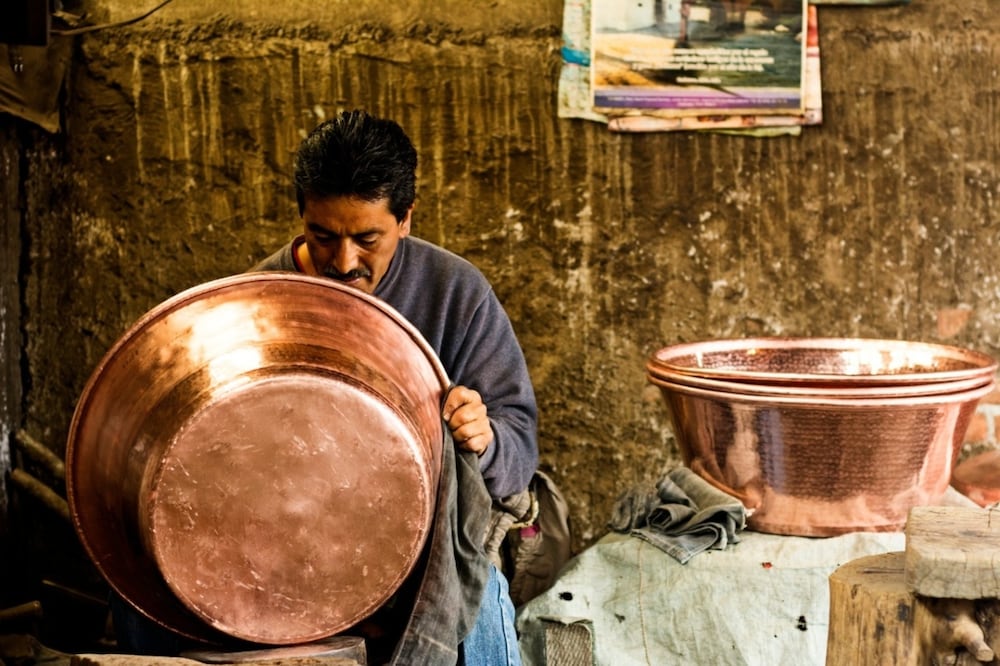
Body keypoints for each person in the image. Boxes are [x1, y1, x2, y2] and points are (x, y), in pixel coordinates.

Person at [251, 109, 539, 664]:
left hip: (425, 550)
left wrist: (485, 438)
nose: (343, 261)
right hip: (297, 549)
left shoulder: (456, 293)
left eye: (367, 238)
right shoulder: (261, 299)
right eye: (323, 236)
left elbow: (520, 450)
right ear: (302, 216)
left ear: (405, 219)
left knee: (476, 600)